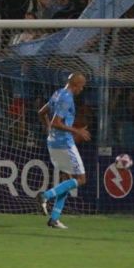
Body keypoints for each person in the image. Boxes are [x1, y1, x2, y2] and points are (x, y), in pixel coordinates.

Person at [35, 73, 91, 229]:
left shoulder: (57, 93)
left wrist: (48, 128)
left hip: (52, 142)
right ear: (76, 84)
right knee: (81, 179)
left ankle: (54, 219)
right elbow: (57, 122)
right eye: (82, 85)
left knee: (67, 180)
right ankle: (45, 196)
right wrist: (76, 131)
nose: (82, 88)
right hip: (64, 143)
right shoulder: (67, 97)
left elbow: (41, 112)